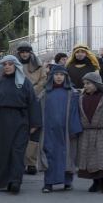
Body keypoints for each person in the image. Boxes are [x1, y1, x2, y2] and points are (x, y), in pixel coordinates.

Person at [0, 55, 41, 193]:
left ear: (16, 66)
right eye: (5, 64)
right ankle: (4, 181)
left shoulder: (25, 82)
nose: (7, 66)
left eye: (10, 64)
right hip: (0, 120)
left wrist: (34, 123)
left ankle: (15, 181)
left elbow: (32, 103)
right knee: (2, 152)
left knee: (17, 151)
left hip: (20, 120)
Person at [36, 65, 82, 193]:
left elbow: (74, 112)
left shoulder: (72, 93)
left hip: (66, 130)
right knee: (49, 153)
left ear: (66, 77)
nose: (59, 77)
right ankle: (48, 183)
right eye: (56, 74)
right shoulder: (45, 94)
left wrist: (74, 130)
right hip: (49, 130)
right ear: (51, 76)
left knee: (67, 154)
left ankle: (68, 182)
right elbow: (39, 112)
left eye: (62, 75)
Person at [76, 73, 103, 194]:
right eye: (84, 83)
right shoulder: (82, 98)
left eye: (88, 83)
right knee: (89, 158)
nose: (86, 86)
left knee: (101, 158)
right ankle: (95, 182)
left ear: (96, 84)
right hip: (86, 133)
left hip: (101, 132)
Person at [16, 41, 47, 175]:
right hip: (18, 101)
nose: (24, 54)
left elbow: (43, 81)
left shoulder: (38, 66)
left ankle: (31, 162)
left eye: (26, 52)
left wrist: (30, 92)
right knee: (19, 132)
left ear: (30, 53)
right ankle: (20, 161)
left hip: (34, 100)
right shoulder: (14, 65)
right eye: (22, 52)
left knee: (34, 131)